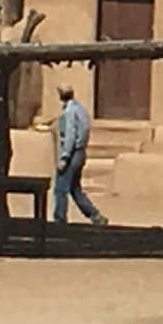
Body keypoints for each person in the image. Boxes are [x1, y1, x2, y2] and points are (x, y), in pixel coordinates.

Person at [52, 83, 108, 226]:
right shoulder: (80, 109)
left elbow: (70, 135)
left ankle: (59, 220)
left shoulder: (69, 112)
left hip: (72, 153)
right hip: (80, 152)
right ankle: (95, 215)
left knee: (60, 188)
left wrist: (64, 157)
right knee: (75, 188)